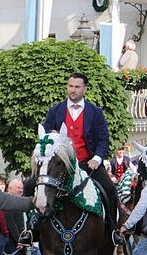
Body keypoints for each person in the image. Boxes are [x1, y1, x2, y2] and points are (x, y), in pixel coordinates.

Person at [40, 72, 122, 245]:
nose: (73, 90)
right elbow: (45, 138)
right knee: (33, 184)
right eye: (70, 86)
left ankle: (113, 229)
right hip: (60, 165)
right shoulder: (55, 111)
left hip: (87, 163)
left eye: (77, 87)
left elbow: (103, 139)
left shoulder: (95, 112)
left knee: (110, 190)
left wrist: (97, 159)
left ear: (85, 89)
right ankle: (32, 229)